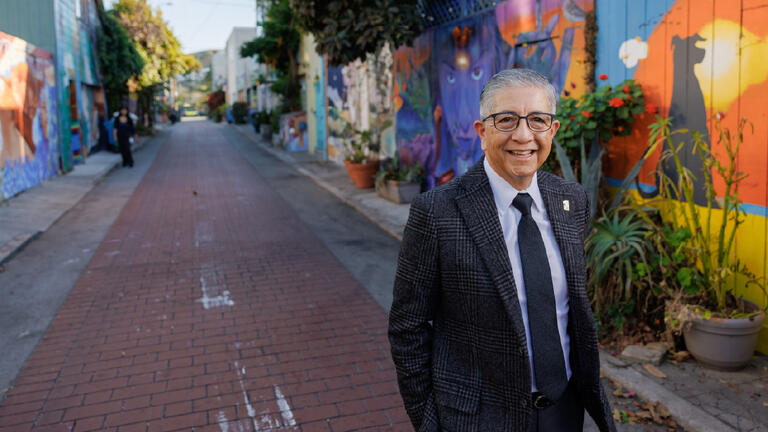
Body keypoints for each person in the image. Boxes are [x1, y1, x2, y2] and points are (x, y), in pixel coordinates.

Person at [388, 69, 615, 432]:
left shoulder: (572, 200)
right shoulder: (437, 212)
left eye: (538, 120)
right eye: (506, 119)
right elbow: (408, 327)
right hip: (479, 419)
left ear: (552, 130)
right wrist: (430, 423)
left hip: (565, 410)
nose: (523, 135)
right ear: (482, 132)